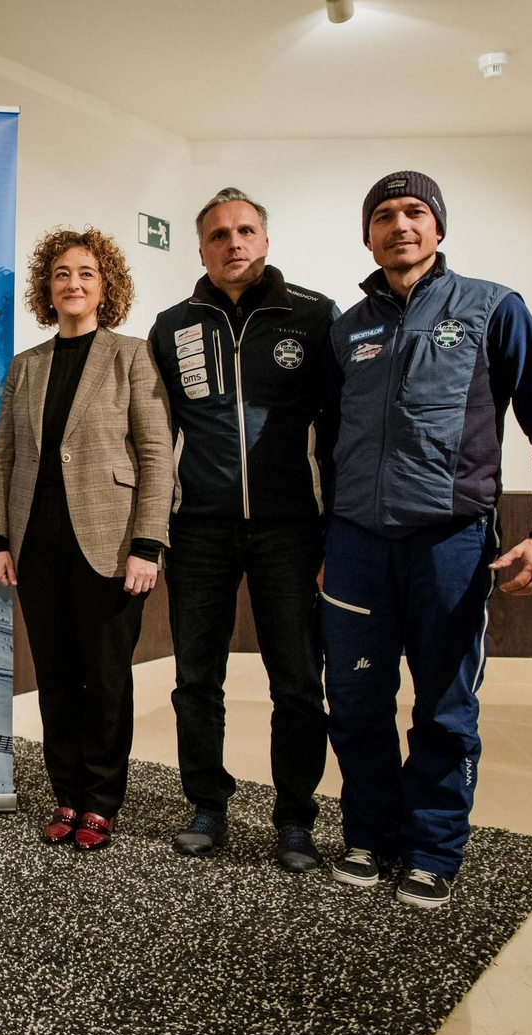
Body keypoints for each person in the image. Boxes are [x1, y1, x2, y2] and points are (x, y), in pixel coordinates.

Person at [323, 171, 532, 908]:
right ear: (366, 234)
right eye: (383, 215)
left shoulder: (493, 309)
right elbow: (329, 443)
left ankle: (434, 848)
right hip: (357, 545)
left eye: (414, 212)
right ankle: (369, 834)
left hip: (452, 544)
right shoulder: (350, 328)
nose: (399, 225)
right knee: (357, 700)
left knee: (443, 705)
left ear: (438, 228)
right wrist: (324, 544)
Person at [147, 189, 337, 872]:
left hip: (291, 531)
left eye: (246, 230)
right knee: (196, 678)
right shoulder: (172, 327)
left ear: (264, 240)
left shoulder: (313, 317)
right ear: (200, 250)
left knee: (296, 681)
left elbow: (340, 433)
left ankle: (294, 819)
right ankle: (207, 804)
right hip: (198, 529)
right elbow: (153, 436)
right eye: (220, 234)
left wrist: (335, 535)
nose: (234, 243)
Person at [0, 227, 173, 851]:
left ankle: (102, 800)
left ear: (105, 285)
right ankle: (66, 794)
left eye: (86, 273)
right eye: (62, 273)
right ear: (48, 286)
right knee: (57, 678)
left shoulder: (132, 356)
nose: (73, 283)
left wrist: (148, 543)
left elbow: (155, 455)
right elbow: (4, 456)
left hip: (110, 546)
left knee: (106, 678)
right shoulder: (27, 366)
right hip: (37, 549)